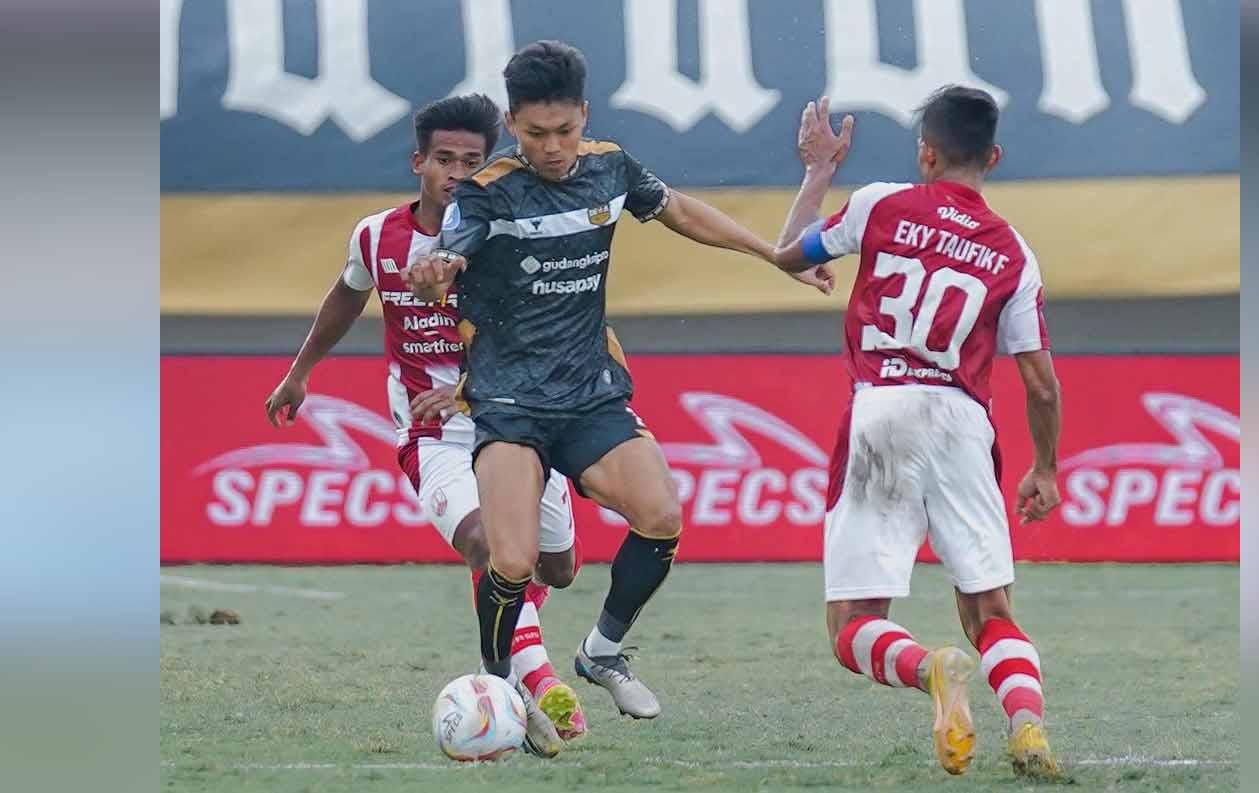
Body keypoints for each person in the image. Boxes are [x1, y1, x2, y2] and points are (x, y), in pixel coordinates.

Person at [406, 40, 824, 727]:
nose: (552, 148)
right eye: (536, 134)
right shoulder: (487, 194)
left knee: (662, 515)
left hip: (590, 394)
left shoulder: (610, 169)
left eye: (565, 131)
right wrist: (436, 267)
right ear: (512, 125)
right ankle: (498, 683)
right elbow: (449, 248)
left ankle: (602, 651)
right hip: (509, 403)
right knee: (511, 560)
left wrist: (772, 256)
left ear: (584, 117)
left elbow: (680, 209)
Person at [263, 94, 585, 758]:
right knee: (487, 547)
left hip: (515, 420)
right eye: (445, 159)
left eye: (473, 161)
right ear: (420, 162)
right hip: (432, 435)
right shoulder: (376, 236)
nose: (458, 173)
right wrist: (300, 371)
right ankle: (535, 684)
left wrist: (471, 388)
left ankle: (514, 645)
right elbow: (348, 294)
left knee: (558, 566)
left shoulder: (508, 237)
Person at [771, 88, 1066, 780]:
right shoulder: (1014, 253)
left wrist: (817, 174)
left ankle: (931, 668)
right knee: (991, 607)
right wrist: (1045, 469)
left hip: (882, 411)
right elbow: (1042, 384)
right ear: (992, 157)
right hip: (963, 420)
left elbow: (789, 253)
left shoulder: (880, 203)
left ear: (926, 153)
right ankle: (1027, 727)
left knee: (851, 624)